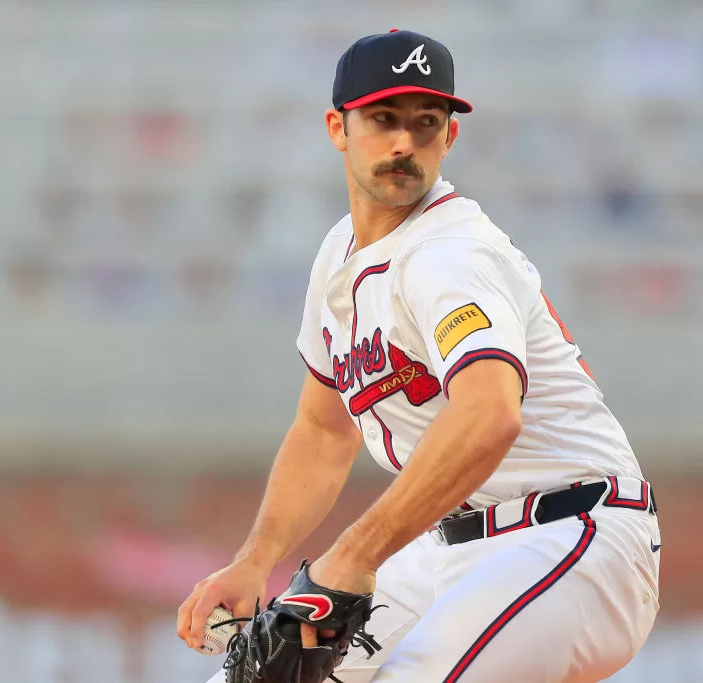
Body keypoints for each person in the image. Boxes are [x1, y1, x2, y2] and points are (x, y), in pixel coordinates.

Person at [177, 28, 661, 682]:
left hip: (571, 534)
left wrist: (348, 558)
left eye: (426, 123)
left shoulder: (451, 254)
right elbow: (324, 431)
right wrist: (255, 560)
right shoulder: (338, 256)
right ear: (337, 127)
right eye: (382, 119)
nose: (405, 141)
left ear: (449, 138)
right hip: (447, 549)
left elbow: (490, 415)